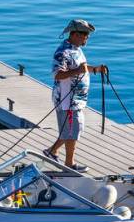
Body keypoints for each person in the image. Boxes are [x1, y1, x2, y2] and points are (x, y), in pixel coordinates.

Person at [44, 19, 107, 171]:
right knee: (73, 130)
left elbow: (82, 68)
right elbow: (57, 75)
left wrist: (96, 69)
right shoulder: (63, 52)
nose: (87, 38)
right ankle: (69, 164)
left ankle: (52, 151)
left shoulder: (77, 49)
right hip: (67, 99)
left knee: (71, 129)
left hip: (77, 99)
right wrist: (78, 71)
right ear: (75, 34)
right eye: (85, 34)